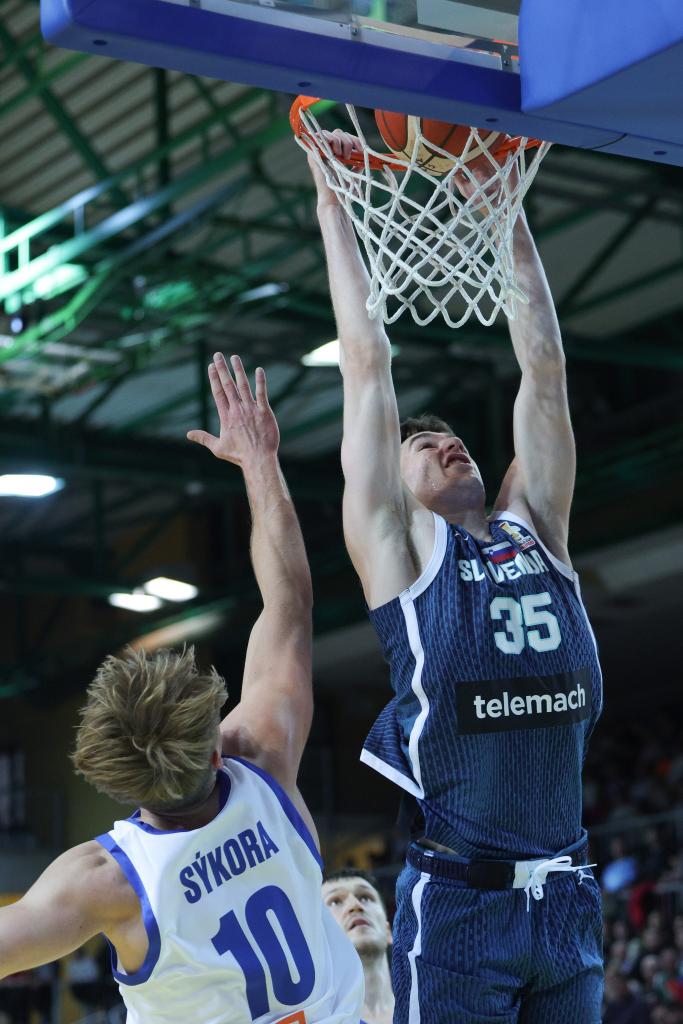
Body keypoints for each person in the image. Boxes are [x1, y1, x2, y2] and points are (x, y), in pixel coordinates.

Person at [308, 135, 604, 1023]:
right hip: (461, 910)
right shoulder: (401, 555)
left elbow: (543, 369)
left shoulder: (535, 526)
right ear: (392, 492)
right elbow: (366, 364)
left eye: (453, 438)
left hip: (567, 896)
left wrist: (501, 207)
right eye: (422, 446)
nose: (446, 443)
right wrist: (333, 204)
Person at [0, 353, 364, 1024]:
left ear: (119, 784)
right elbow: (289, 602)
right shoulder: (263, 756)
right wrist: (259, 463)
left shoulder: (109, 883)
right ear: (217, 752)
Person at [322, 870, 394, 1024]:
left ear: (388, 930)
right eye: (335, 901)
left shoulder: (435, 1008)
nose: (355, 905)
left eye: (365, 898)